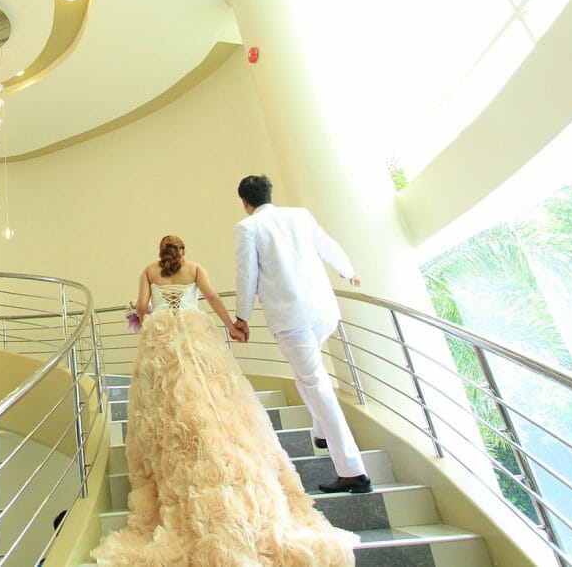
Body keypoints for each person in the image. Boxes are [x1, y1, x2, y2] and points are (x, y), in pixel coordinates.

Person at [91, 235, 355, 566]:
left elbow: (143, 308)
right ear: (183, 251)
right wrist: (232, 324)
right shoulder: (196, 268)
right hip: (195, 328)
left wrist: (139, 314)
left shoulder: (148, 271)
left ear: (160, 253)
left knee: (168, 392)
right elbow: (213, 297)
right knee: (212, 388)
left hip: (161, 333)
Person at [231, 174, 372, 495]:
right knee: (307, 375)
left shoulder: (248, 228)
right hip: (324, 311)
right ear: (269, 193)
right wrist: (348, 271)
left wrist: (243, 317)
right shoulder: (299, 215)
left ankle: (352, 470)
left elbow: (246, 274)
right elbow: (327, 245)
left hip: (291, 317)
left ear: (245, 202)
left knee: (315, 382)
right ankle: (321, 431)